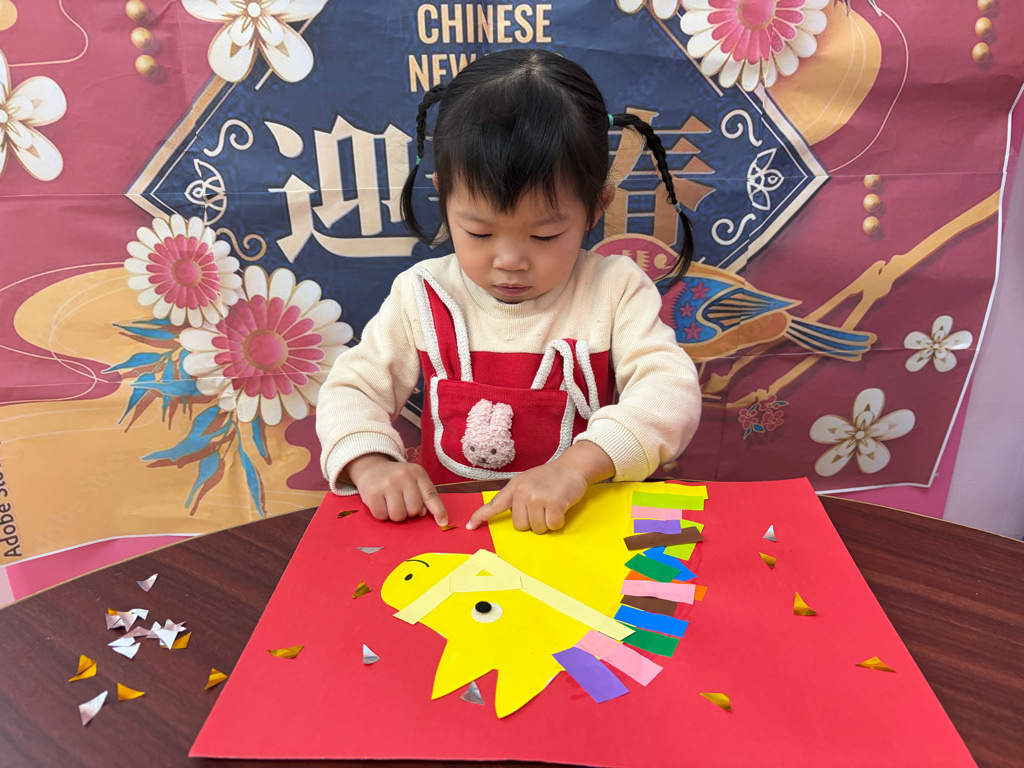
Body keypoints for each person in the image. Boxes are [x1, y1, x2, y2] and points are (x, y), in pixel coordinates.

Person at [316, 49, 701, 534]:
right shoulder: (423, 294)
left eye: (544, 235)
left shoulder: (615, 289)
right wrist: (371, 463)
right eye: (479, 232)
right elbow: (352, 388)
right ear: (443, 195)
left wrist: (576, 467)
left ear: (596, 207)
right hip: (450, 533)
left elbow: (669, 391)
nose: (510, 261)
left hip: (577, 529)